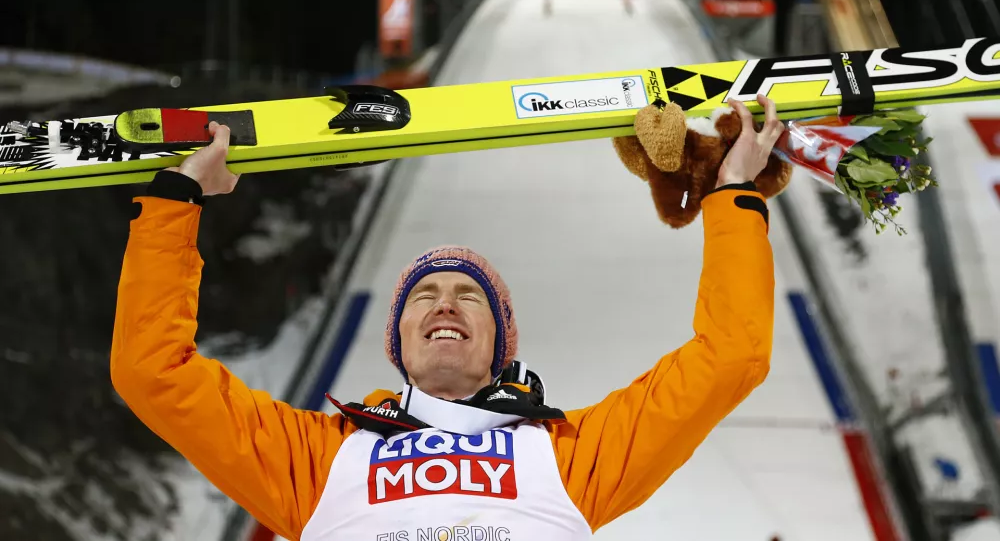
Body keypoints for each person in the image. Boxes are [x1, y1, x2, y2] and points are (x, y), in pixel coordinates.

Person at [110, 95, 783, 540]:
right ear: (398, 342)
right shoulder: (316, 460)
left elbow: (732, 355)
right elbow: (153, 373)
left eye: (470, 296)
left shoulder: (575, 456)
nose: (444, 303)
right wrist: (178, 195)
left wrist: (732, 196)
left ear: (500, 345)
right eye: (424, 295)